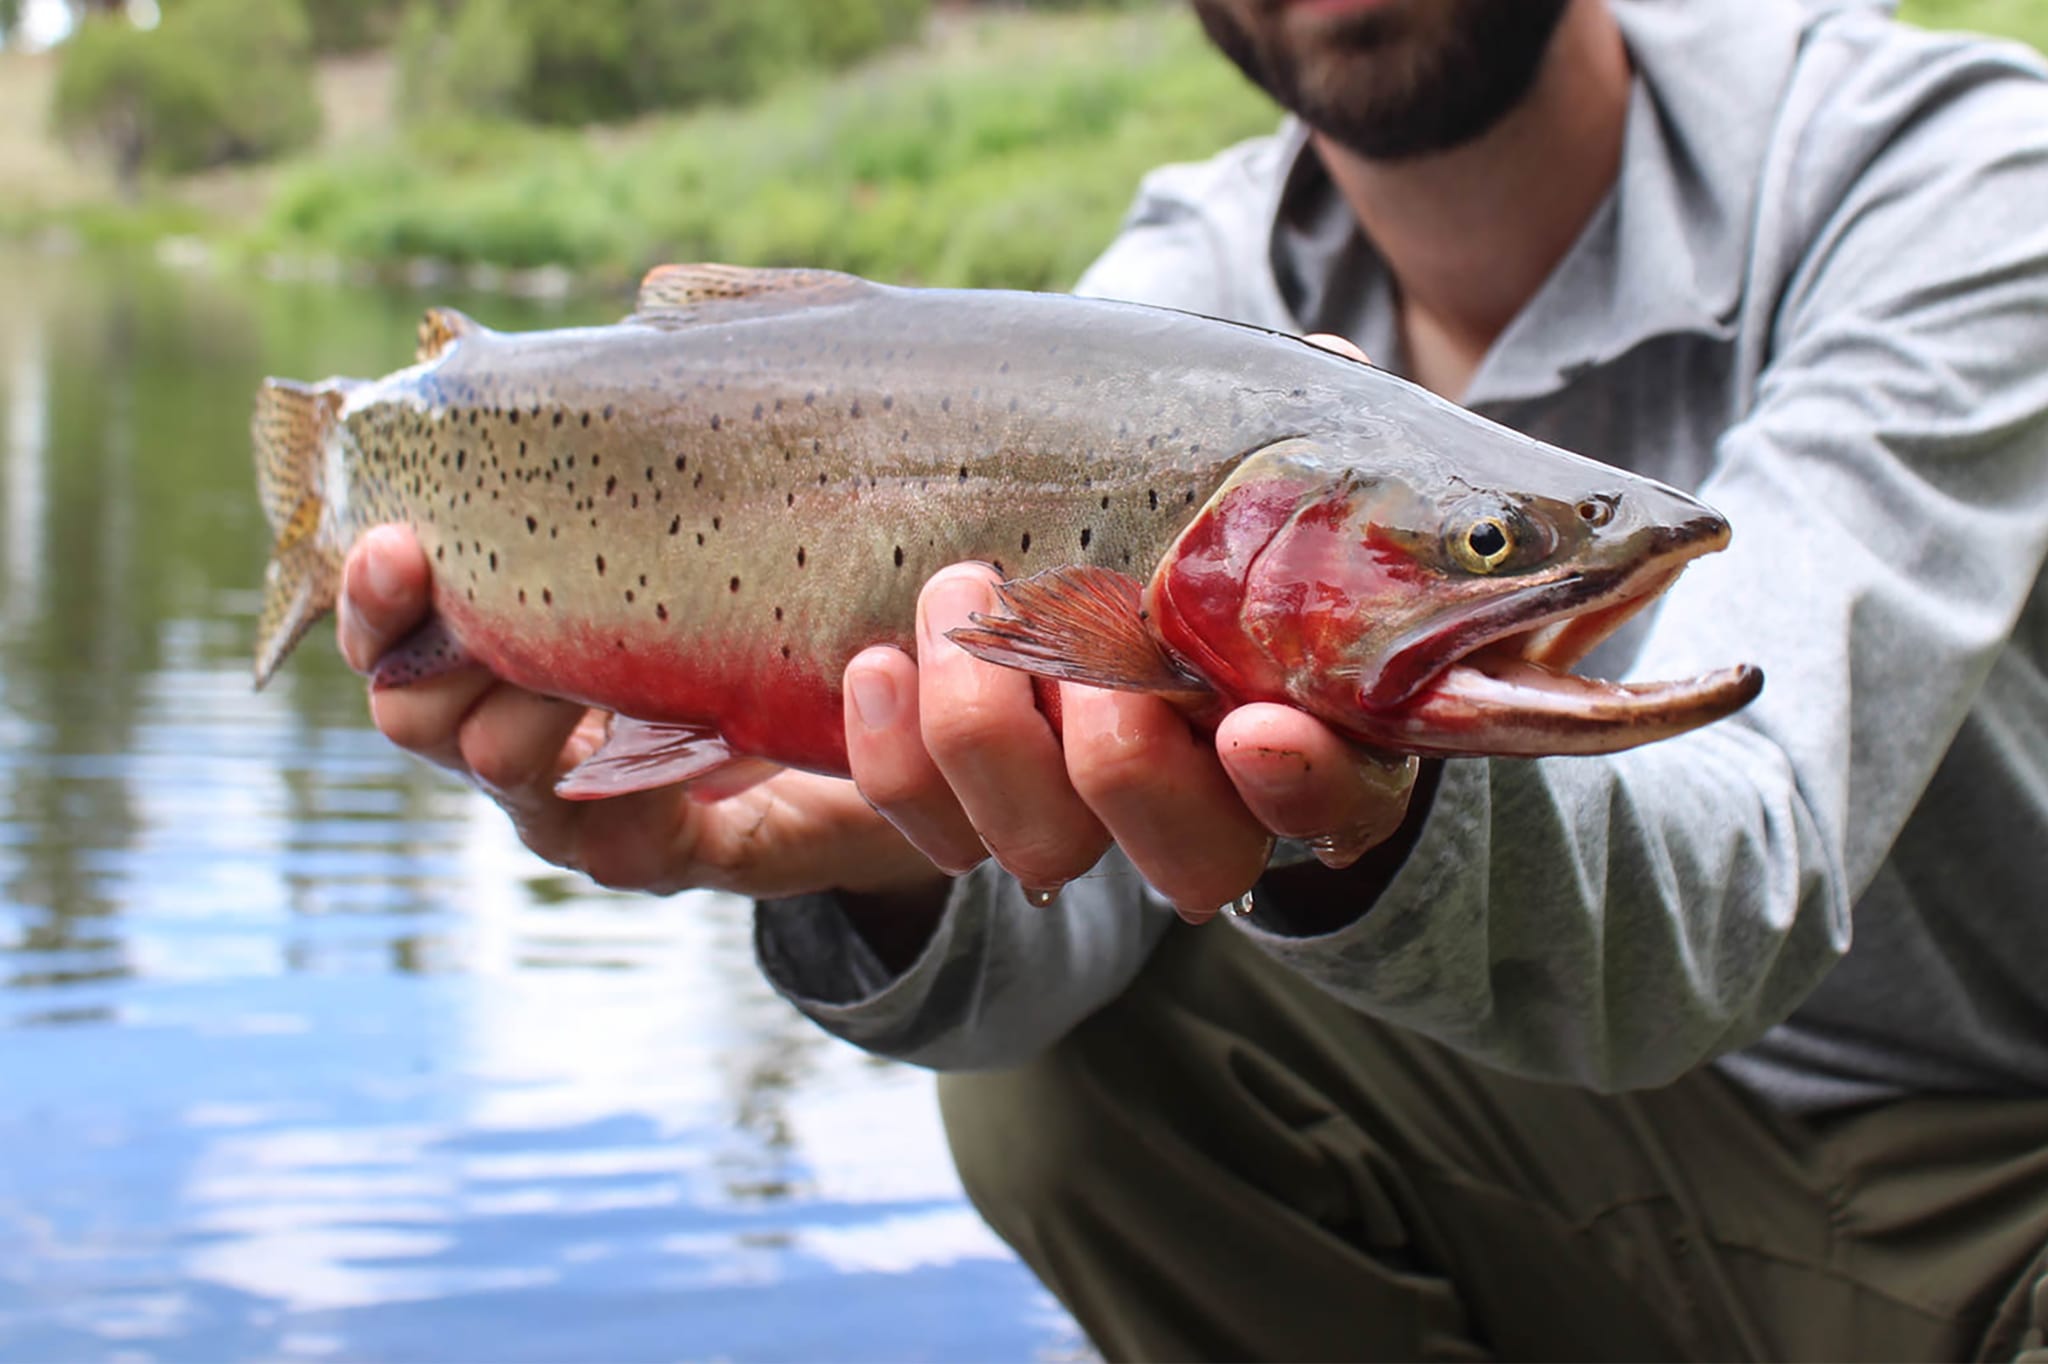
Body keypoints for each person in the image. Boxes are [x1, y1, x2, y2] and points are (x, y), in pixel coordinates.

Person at [336, 0, 2048, 1355]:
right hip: (1536, 1173)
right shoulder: (1184, 288)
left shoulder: (1954, 177)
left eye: (1482, 548)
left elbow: (1745, 871)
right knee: (1057, 1087)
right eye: (1484, 546)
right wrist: (879, 856)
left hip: (1994, 1202)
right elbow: (1063, 920)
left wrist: (1380, 818)